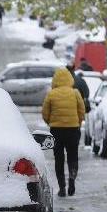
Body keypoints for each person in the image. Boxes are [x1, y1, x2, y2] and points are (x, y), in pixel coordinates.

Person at [42, 68, 85, 197]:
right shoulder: (75, 93)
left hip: (56, 131)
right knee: (73, 157)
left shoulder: (51, 94)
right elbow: (81, 110)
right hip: (73, 130)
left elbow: (45, 113)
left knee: (59, 159)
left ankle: (62, 188)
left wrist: (51, 122)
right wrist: (77, 121)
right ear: (69, 79)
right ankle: (72, 180)